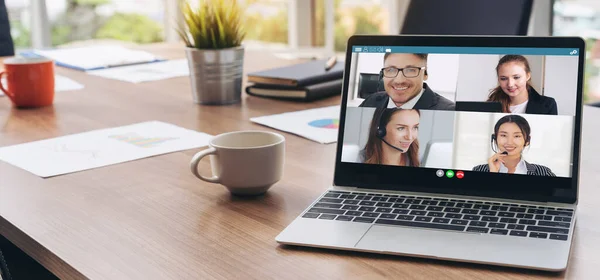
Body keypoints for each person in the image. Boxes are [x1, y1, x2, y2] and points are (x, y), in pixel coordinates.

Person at [359, 53, 455, 110]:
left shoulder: (448, 110)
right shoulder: (371, 101)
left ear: (425, 73)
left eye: (410, 70)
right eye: (391, 70)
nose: (399, 80)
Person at [472, 115, 555, 176]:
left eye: (517, 136)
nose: (509, 142)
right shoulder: (478, 170)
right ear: (495, 138)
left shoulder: (543, 173)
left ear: (527, 141)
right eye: (503, 135)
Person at [487, 55, 558, 115]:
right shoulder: (490, 104)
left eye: (516, 77)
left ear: (528, 76)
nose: (510, 84)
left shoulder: (547, 105)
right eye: (503, 78)